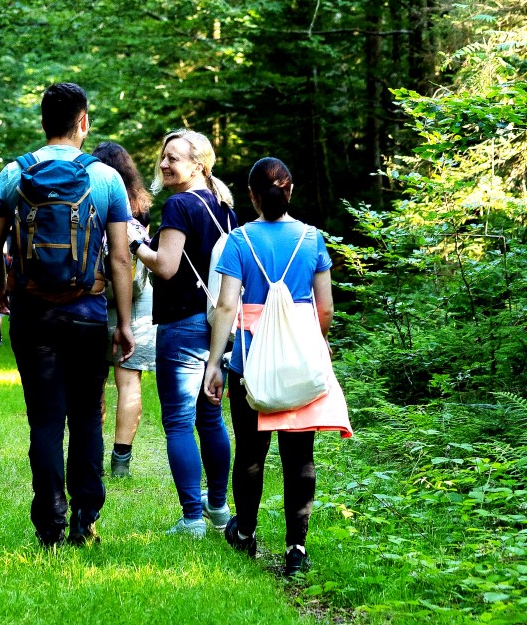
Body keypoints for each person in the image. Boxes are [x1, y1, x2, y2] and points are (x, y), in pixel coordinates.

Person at [0, 83, 135, 547]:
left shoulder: (14, 174)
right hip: (87, 313)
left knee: (45, 419)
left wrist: (1, 292)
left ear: (43, 121)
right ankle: (85, 519)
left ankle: (49, 520)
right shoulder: (105, 178)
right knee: (87, 417)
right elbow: (121, 259)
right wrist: (124, 322)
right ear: (83, 121)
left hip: (33, 314)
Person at [202, 157, 352, 577]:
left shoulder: (238, 241)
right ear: (290, 191)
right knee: (299, 456)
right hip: (301, 362)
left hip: (252, 364)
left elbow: (227, 306)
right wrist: (319, 345)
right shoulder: (312, 239)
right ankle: (296, 550)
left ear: (251, 195)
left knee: (251, 453)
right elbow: (325, 309)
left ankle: (245, 534)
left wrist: (215, 364)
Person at [136, 129, 239, 537]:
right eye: (162, 157)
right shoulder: (224, 206)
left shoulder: (179, 205)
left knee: (179, 422)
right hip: (217, 323)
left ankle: (192, 517)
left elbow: (165, 266)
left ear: (199, 164)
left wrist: (133, 243)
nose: (164, 164)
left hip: (182, 323)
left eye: (173, 158)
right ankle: (218, 508)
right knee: (211, 418)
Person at [92, 142, 155, 478]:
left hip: (94, 304)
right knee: (129, 383)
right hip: (136, 305)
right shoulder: (138, 215)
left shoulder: (88, 211)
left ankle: (92, 453)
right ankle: (121, 462)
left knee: (92, 383)